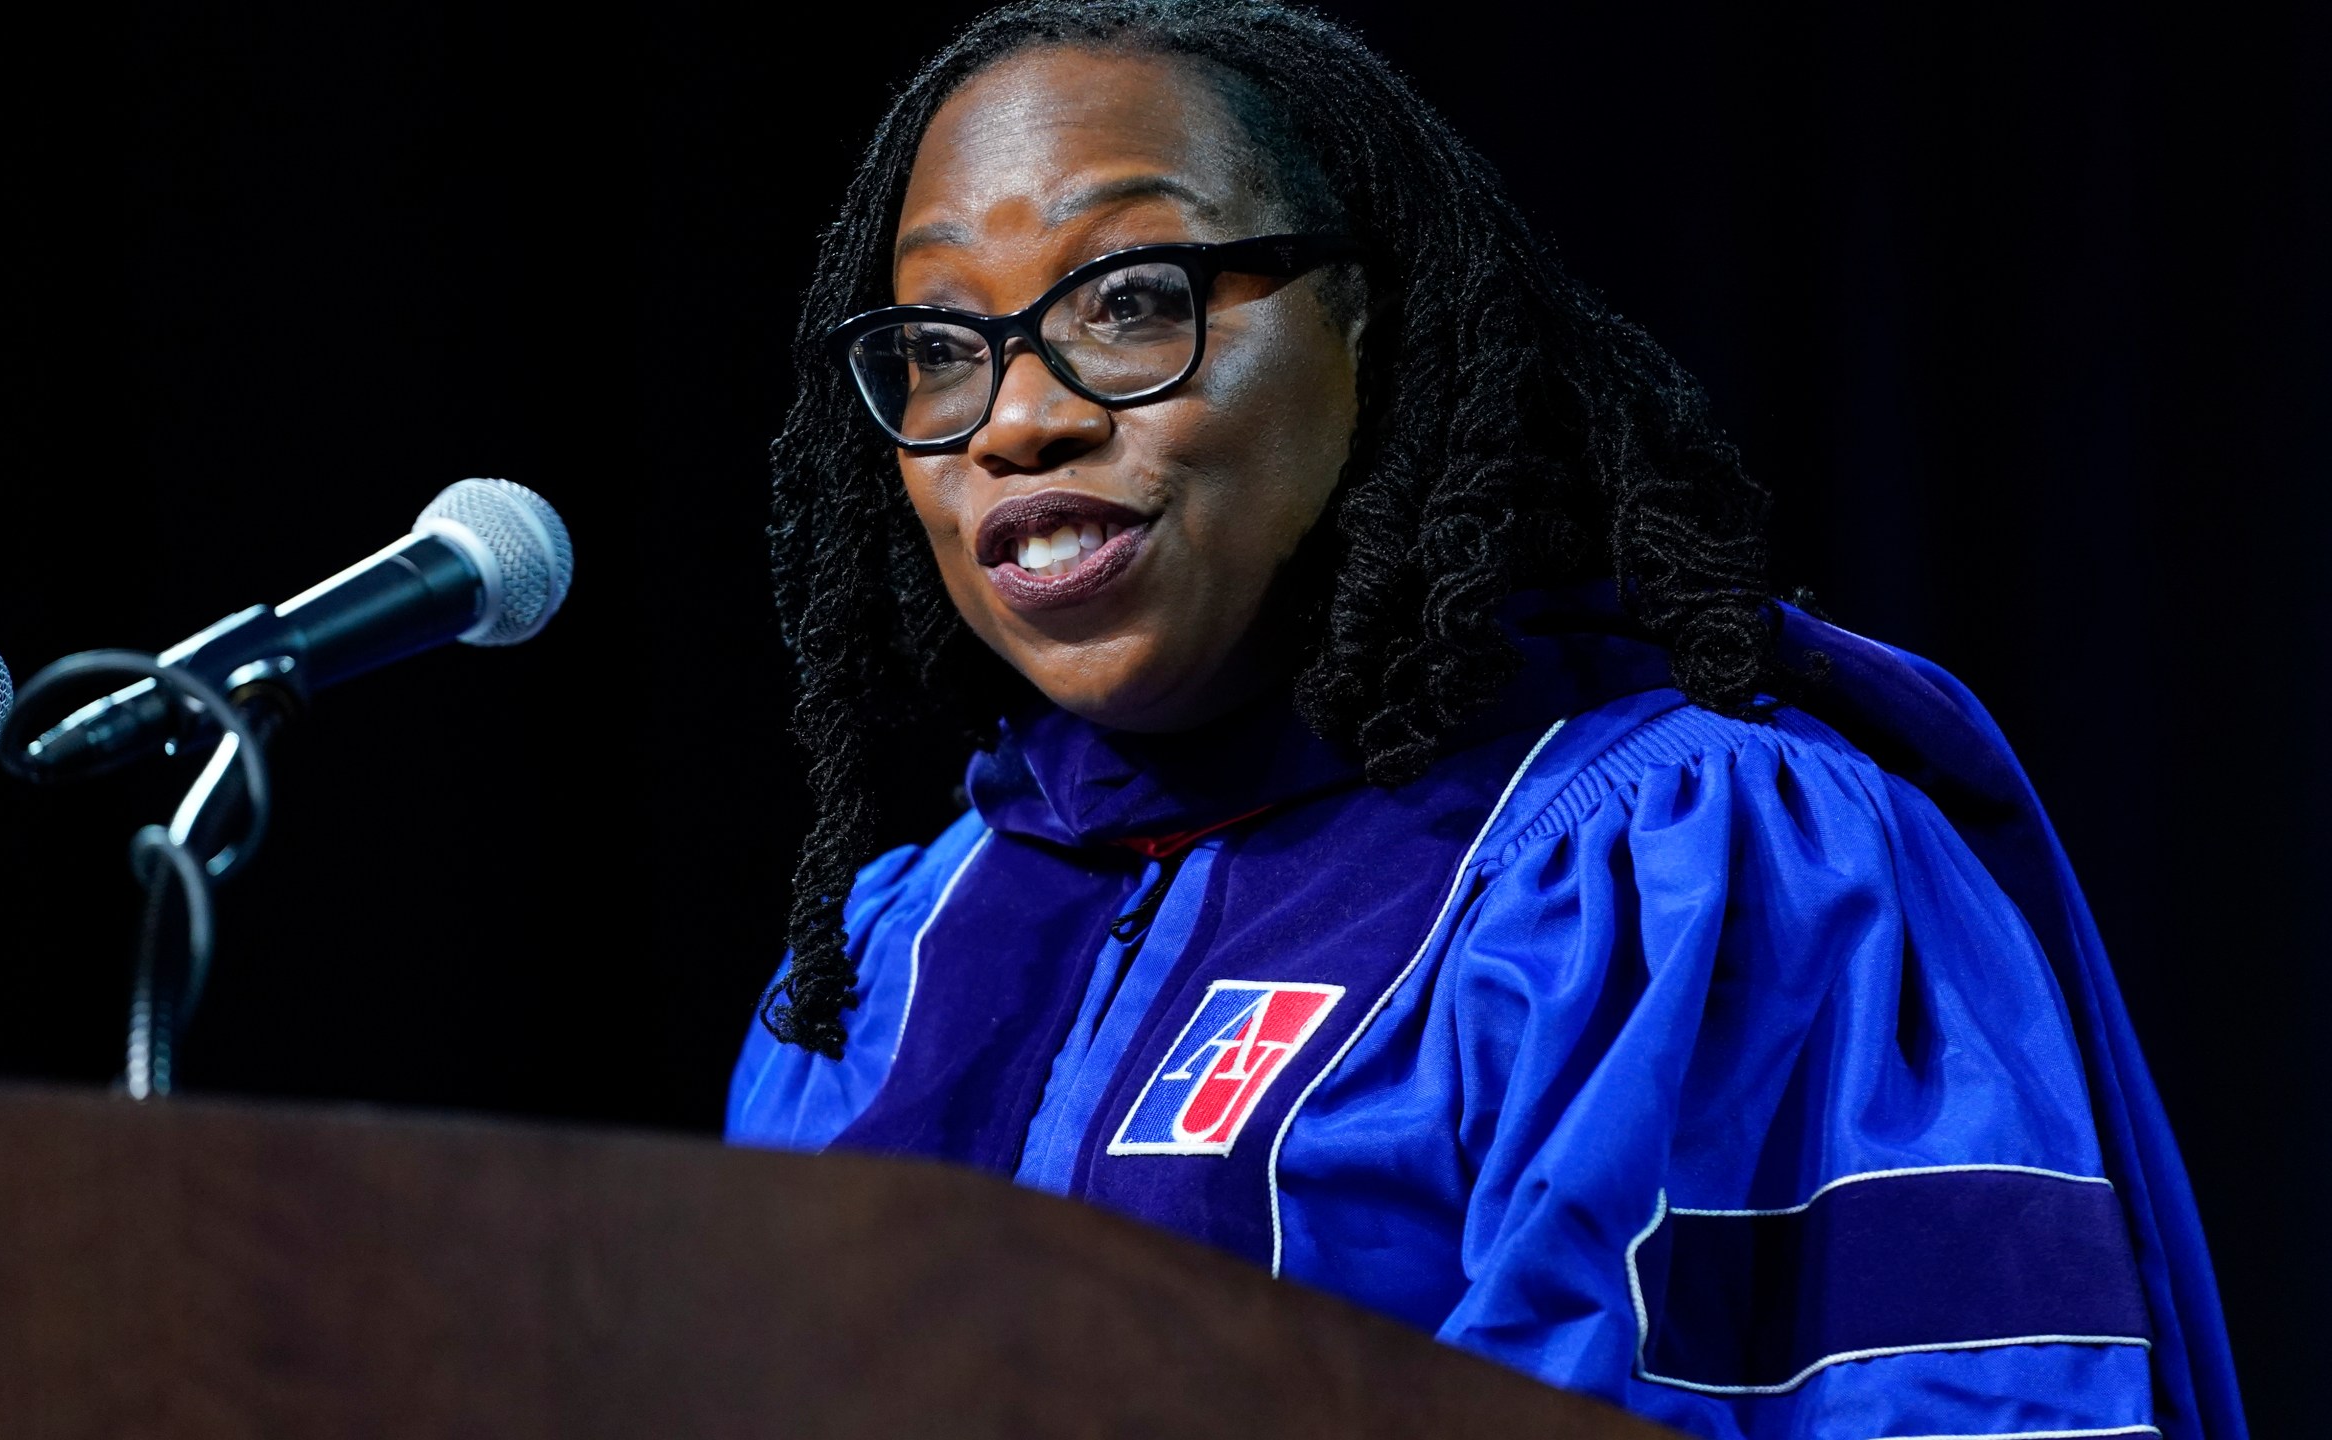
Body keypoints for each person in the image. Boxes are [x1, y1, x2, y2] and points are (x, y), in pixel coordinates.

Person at [724, 3, 2244, 1435]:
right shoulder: (880, 968)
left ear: (1366, 328)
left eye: (1132, 301)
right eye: (937, 345)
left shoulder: (1679, 870)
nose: (1013, 417)